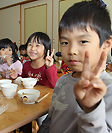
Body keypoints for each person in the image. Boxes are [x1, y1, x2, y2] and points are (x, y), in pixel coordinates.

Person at [38, 0, 112, 132]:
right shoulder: (62, 81)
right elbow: (51, 119)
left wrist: (91, 110)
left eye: (83, 41)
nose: (72, 50)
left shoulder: (107, 89)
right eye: (65, 42)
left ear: (105, 45)